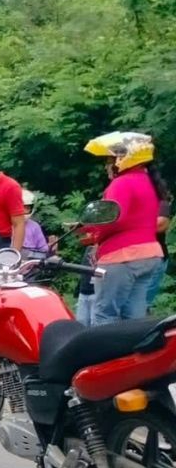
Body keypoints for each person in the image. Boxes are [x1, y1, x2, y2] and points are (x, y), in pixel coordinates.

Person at [82, 132, 166, 325]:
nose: (107, 165)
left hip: (122, 257)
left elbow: (111, 219)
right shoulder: (149, 182)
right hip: (150, 255)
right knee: (134, 318)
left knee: (105, 314)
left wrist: (94, 236)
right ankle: (135, 355)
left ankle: (104, 356)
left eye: (110, 159)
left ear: (123, 158)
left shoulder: (121, 183)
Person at [146, 198, 171, 313]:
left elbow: (161, 223)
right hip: (129, 258)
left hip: (154, 258)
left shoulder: (159, 200)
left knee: (142, 303)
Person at [21, 190, 51, 261]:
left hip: (30, 263)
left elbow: (43, 248)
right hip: (9, 261)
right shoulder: (4, 224)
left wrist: (50, 249)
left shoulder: (34, 226)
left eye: (27, 208)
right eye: (20, 207)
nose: (22, 211)